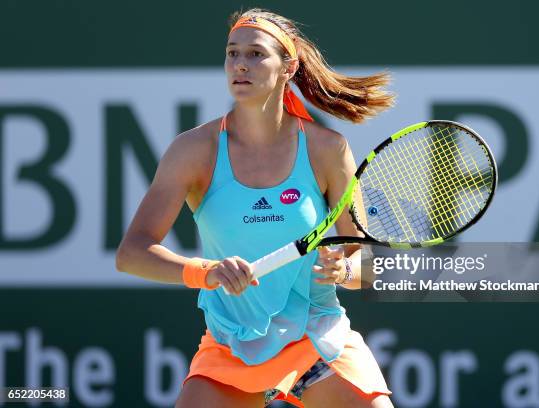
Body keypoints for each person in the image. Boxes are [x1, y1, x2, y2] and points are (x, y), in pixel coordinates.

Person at [116, 8, 395, 408]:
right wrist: (206, 272)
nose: (240, 65)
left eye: (256, 54)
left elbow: (369, 264)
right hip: (231, 346)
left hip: (317, 340)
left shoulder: (327, 150)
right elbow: (131, 254)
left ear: (288, 67)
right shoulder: (193, 150)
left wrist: (345, 268)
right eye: (232, 53)